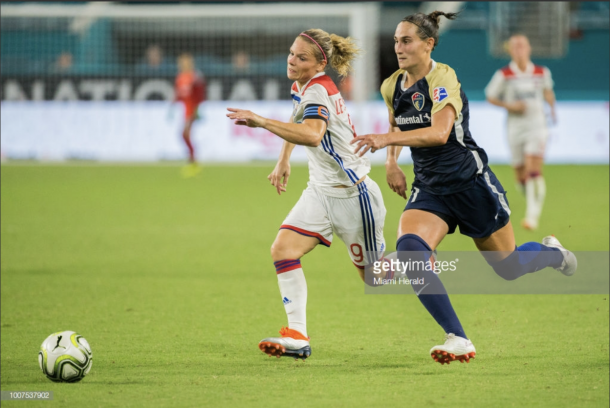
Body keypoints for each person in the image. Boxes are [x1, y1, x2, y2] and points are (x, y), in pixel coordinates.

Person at [351, 12, 577, 365]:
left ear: (429, 43)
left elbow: (440, 133)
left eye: (407, 40)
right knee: (411, 251)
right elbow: (396, 120)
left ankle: (553, 254)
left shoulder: (443, 78)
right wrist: (392, 161)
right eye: (396, 40)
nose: (399, 47)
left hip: (470, 184)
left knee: (509, 266)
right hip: (430, 189)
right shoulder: (391, 85)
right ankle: (457, 337)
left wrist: (384, 140)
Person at [227, 29, 388, 360]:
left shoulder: (318, 89)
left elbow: (313, 135)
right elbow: (296, 118)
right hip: (320, 191)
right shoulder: (302, 86)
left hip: (353, 195)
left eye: (301, 57)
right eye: (290, 53)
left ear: (320, 63)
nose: (292, 60)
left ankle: (432, 263)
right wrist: (284, 157)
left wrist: (260, 120)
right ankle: (297, 335)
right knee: (283, 249)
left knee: (377, 278)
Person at [485, 34, 556, 231]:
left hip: (537, 126)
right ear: (511, 51)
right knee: (520, 176)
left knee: (534, 170)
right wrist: (510, 105)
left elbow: (548, 91)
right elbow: (490, 96)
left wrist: (552, 107)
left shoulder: (542, 72)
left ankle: (532, 216)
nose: (519, 50)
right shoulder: (504, 74)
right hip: (515, 128)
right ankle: (533, 199)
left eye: (522, 46)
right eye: (515, 47)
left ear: (529, 48)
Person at [174, 53, 206, 177]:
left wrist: (197, 110)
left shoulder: (195, 77)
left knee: (185, 134)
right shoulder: (180, 77)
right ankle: (192, 160)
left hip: (191, 110)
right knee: (185, 134)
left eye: (186, 62)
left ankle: (193, 161)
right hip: (184, 109)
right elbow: (179, 94)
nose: (183, 64)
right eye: (182, 62)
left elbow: (199, 95)